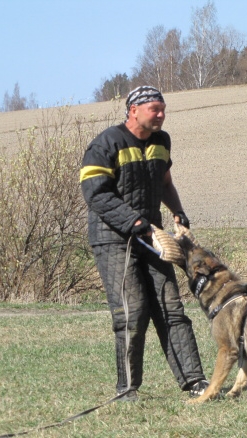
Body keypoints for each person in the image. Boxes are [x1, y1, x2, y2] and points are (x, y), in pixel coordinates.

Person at [80, 85, 208, 401]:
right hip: (114, 239)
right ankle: (127, 389)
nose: (161, 115)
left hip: (152, 237)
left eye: (163, 109)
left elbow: (165, 183)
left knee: (171, 309)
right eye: (155, 109)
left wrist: (177, 211)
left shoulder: (162, 142)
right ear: (133, 110)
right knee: (132, 312)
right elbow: (96, 194)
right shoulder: (106, 143)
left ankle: (194, 381)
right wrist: (135, 223)